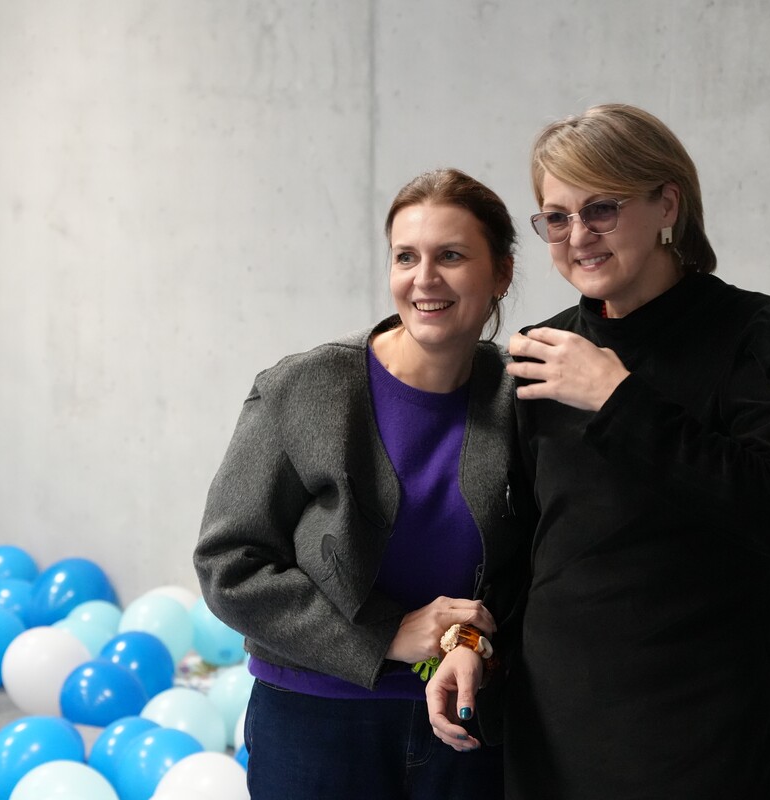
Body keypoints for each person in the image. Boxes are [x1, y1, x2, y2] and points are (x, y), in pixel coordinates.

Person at [426, 104, 770, 798]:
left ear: (667, 205)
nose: (577, 237)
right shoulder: (540, 351)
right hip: (555, 722)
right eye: (556, 217)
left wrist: (619, 398)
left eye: (601, 209)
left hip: (702, 727)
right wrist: (472, 644)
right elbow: (521, 544)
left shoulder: (754, 332)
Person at [194, 168, 532, 799]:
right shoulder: (302, 389)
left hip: (467, 724)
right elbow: (227, 564)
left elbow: (538, 568)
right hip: (316, 721)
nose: (424, 279)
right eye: (406, 257)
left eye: (451, 256)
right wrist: (386, 634)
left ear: (501, 274)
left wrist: (473, 645)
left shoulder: (524, 398)